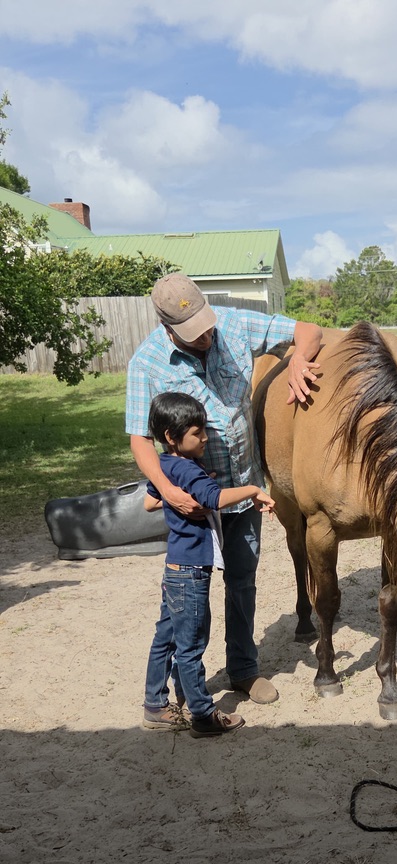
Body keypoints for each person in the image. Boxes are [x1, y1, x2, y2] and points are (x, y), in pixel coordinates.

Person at [126, 274, 323, 706]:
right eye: (194, 333)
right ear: (167, 327)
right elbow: (139, 438)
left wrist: (297, 359)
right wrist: (166, 490)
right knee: (185, 594)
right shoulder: (147, 364)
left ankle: (243, 669)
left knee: (242, 581)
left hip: (241, 489)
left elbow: (309, 331)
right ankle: (177, 685)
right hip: (191, 502)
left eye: (206, 324)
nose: (207, 336)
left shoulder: (233, 325)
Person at [142, 392, 276, 737]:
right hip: (191, 571)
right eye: (198, 433)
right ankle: (203, 715)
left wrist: (185, 494)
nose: (205, 438)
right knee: (191, 644)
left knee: (166, 637)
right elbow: (216, 498)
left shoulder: (166, 466)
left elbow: (148, 503)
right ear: (173, 437)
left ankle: (155, 704)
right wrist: (250, 490)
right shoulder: (188, 470)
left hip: (173, 567)